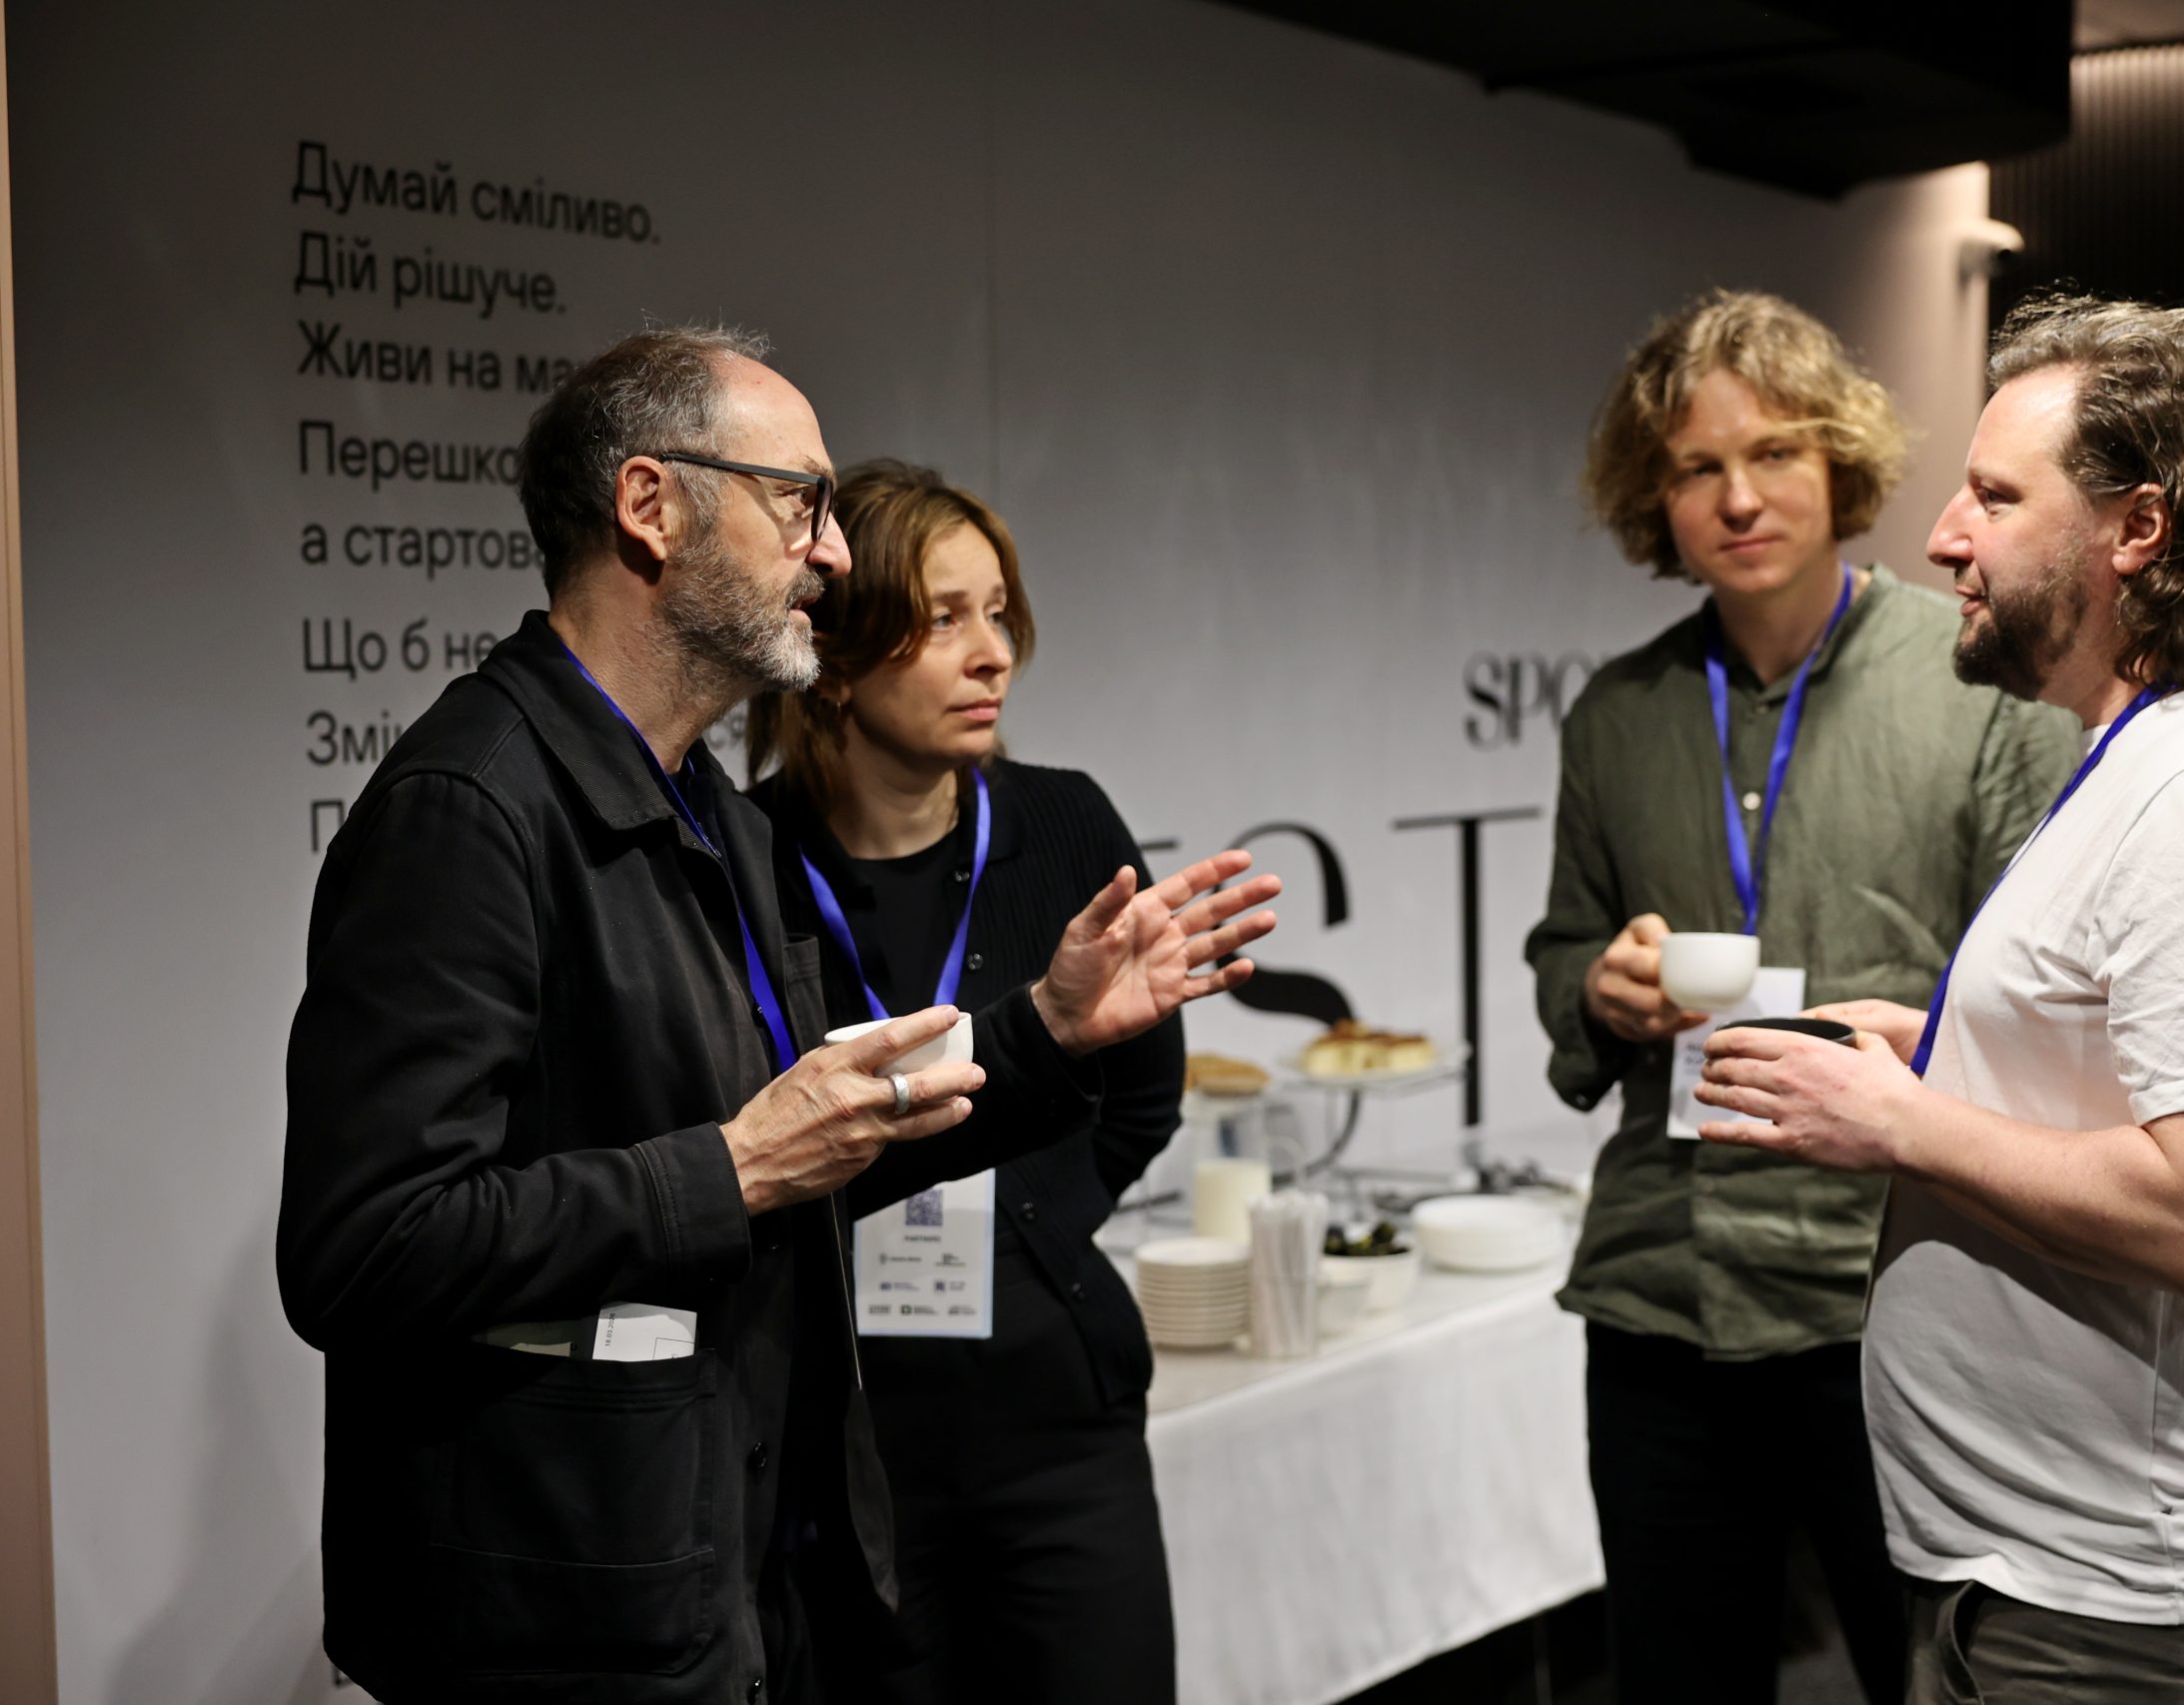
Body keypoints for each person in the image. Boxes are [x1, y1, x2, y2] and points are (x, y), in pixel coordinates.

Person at [278, 327, 1277, 1703]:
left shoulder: (710, 818)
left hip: (721, 1571)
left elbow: (823, 1141)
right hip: (561, 1613)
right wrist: (734, 1168)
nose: (835, 553)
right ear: (650, 506)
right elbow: (367, 1247)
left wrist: (1041, 1029)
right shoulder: (470, 809)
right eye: (799, 501)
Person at [1697, 294, 2184, 1702]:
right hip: (2061, 1577)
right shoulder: (2171, 745)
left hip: (2122, 1607)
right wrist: (1946, 1050)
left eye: (1993, 495)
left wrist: (1901, 1122)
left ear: (2137, 530)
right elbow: (2146, 1068)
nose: (1940, 537)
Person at [1524, 290, 2076, 1704]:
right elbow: (1561, 948)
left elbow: (2046, 997)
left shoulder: (1977, 685)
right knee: (1675, 1680)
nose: (1738, 497)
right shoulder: (1619, 713)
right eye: (1696, 467)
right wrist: (1599, 987)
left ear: (1838, 461)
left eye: (1772, 452)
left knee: (1932, 1678)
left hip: (1887, 1286)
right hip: (1664, 1290)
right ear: (1655, 499)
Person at [741, 458, 1218, 1702]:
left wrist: (1036, 1228)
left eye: (998, 612)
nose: (993, 653)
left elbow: (1142, 1093)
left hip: (1058, 1425)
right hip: (845, 1444)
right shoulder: (744, 859)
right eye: (943, 618)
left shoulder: (1061, 824)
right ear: (833, 659)